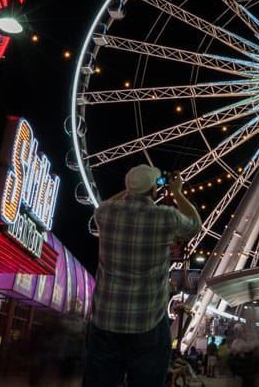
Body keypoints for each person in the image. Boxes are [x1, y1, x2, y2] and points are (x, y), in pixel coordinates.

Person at [82, 164, 201, 387]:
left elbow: (108, 203)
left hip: (106, 319)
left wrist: (131, 189)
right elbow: (195, 224)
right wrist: (177, 192)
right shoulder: (165, 216)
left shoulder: (105, 214)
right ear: (153, 189)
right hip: (148, 322)